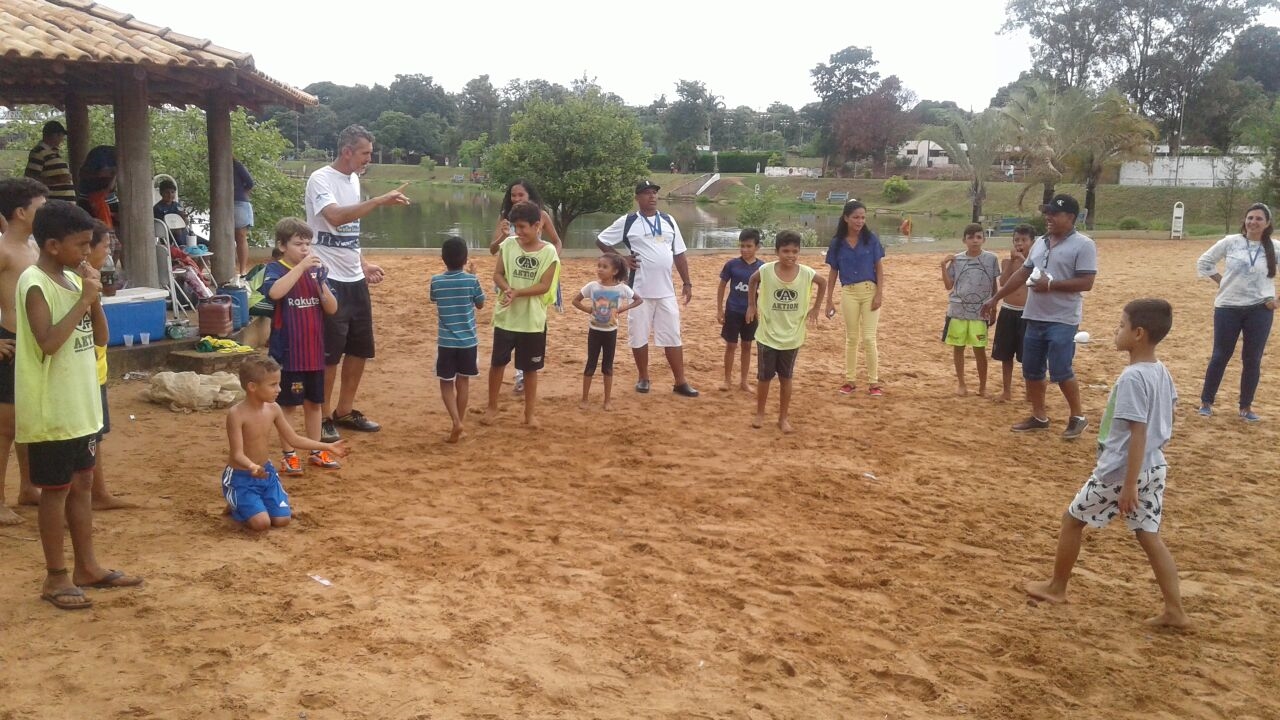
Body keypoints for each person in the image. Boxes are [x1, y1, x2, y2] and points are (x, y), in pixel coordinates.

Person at [1024, 299, 1189, 628]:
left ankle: (1057, 587)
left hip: (1120, 472)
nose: (1116, 330)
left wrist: (1128, 485)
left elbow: (1138, 432)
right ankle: (1175, 610)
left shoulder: (1132, 378)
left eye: (1121, 325)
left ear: (1138, 333)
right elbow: (1168, 414)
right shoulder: (1161, 370)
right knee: (1149, 536)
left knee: (1072, 520)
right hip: (1154, 467)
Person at [17, 200, 142, 610]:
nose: (88, 252)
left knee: (83, 485)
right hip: (52, 409)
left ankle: (87, 566)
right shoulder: (35, 282)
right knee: (55, 491)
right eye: (81, 244)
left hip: (82, 404)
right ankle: (55, 576)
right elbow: (48, 343)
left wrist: (94, 299)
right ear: (52, 245)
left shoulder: (73, 280)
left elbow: (101, 338)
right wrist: (83, 299)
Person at [305, 125, 410, 442]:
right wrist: (377, 201)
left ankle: (345, 410)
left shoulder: (353, 179)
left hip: (354, 277)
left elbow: (350, 232)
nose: (369, 159)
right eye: (365, 153)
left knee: (359, 349)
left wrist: (363, 264)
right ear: (347, 151)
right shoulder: (320, 179)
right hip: (328, 278)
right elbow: (335, 217)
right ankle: (323, 416)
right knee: (330, 353)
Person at [981, 194, 1097, 439]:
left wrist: (1051, 285)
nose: (1048, 217)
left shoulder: (1084, 245)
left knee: (1061, 369)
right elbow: (1022, 275)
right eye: (1047, 213)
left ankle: (1077, 417)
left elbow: (1087, 282)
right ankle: (1039, 416)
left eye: (1054, 213)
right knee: (1031, 369)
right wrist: (996, 298)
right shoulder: (1041, 243)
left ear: (1071, 217)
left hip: (1063, 318)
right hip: (1034, 316)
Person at [597, 180, 699, 397]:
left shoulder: (669, 220)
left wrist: (687, 282)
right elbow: (601, 240)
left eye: (654, 193)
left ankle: (680, 381)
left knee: (673, 335)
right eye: (646, 193)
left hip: (666, 291)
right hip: (639, 292)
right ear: (637, 198)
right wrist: (621, 258)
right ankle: (643, 377)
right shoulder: (628, 221)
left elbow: (679, 253)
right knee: (639, 335)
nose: (652, 196)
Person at [223, 355, 346, 532]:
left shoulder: (273, 409)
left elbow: (293, 439)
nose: (279, 389)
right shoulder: (236, 414)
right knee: (261, 524)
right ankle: (236, 501)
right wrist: (251, 466)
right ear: (252, 387)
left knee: (282, 520)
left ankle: (251, 503)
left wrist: (327, 446)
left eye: (278, 384)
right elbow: (237, 454)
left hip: (266, 473)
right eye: (273, 385)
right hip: (241, 476)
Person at [261, 218, 339, 474]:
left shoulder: (316, 272)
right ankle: (289, 454)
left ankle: (316, 451)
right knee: (288, 405)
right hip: (288, 353)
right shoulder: (275, 269)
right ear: (282, 246)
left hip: (313, 351)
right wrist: (302, 267)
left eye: (308, 243)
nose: (305, 249)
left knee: (314, 403)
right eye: (298, 244)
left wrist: (321, 283)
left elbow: (332, 308)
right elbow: (275, 293)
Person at [1194, 202, 1278, 422]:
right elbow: (1205, 261)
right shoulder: (1231, 242)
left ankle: (1245, 407)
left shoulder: (1275, 247)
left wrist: (1276, 301)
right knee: (1220, 355)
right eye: (1250, 218)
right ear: (1244, 220)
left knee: (1252, 359)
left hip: (1259, 310)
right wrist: (1222, 282)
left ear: (1267, 223)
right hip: (1228, 307)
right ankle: (1206, 402)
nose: (1253, 222)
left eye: (1259, 218)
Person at [484, 201, 559, 426]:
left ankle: (529, 414)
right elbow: (498, 274)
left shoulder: (549, 252)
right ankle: (492, 407)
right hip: (505, 318)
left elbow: (545, 286)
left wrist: (518, 292)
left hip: (532, 322)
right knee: (497, 364)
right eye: (515, 227)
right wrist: (507, 288)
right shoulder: (508, 245)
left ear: (537, 226)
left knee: (530, 369)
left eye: (523, 227)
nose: (519, 232)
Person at [746, 230, 826, 432]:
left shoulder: (806, 273)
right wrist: (752, 305)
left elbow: (823, 282)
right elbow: (752, 280)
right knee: (764, 377)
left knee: (786, 377)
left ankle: (783, 418)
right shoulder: (766, 270)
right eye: (785, 251)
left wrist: (816, 308)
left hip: (792, 336)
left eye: (794, 251)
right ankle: (760, 413)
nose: (790, 255)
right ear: (777, 251)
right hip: (767, 335)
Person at [0, 178, 46, 523]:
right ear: (20, 212)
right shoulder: (4, 250)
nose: (45, 213)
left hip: (33, 345)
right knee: (5, 429)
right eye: (39, 208)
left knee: (28, 422)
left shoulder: (32, 246)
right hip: (10, 343)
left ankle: (28, 487)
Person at [87, 220, 135, 510]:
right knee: (87, 438)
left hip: (98, 368)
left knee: (96, 436)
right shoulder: (78, 282)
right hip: (86, 372)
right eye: (104, 246)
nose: (108, 252)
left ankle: (99, 492)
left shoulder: (90, 278)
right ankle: (92, 494)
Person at [823, 200, 886, 397]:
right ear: (846, 218)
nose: (860, 221)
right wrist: (829, 299)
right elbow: (833, 272)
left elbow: (879, 268)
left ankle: (873, 382)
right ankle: (850, 380)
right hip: (849, 292)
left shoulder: (871, 239)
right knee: (851, 338)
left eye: (863, 217)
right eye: (856, 217)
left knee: (869, 338)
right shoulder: (837, 243)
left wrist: (879, 293)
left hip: (869, 291)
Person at [430, 236, 486, 442]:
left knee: (446, 382)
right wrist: (474, 275)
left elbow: (433, 298)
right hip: (468, 342)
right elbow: (480, 304)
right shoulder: (472, 281)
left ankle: (456, 421)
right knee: (463, 381)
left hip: (446, 342)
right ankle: (459, 422)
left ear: (443, 258)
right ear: (465, 259)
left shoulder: (436, 281)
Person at [572, 254, 641, 411]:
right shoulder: (592, 286)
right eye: (599, 266)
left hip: (611, 332)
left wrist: (622, 309)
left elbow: (638, 300)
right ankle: (584, 398)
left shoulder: (622, 288)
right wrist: (588, 310)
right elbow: (575, 301)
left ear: (615, 271)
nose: (600, 269)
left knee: (608, 367)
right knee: (590, 364)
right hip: (594, 331)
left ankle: (607, 400)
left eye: (604, 267)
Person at [940, 223, 1000, 397]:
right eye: (971, 237)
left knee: (979, 349)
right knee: (958, 347)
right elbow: (948, 285)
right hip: (958, 310)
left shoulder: (991, 259)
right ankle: (961, 383)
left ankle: (983, 386)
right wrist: (943, 266)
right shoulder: (957, 260)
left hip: (981, 312)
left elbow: (994, 286)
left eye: (979, 237)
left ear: (984, 239)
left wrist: (994, 307)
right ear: (964, 240)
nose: (975, 241)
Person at [991, 225, 1035, 402]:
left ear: (1032, 242)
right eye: (1016, 240)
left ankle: (1030, 392)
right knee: (1005, 354)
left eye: (1024, 240)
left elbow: (1033, 278)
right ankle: (1006, 390)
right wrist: (1011, 262)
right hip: (1008, 310)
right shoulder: (1006, 262)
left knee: (1028, 356)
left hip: (1027, 313)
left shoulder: (1035, 263)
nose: (1019, 243)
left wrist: (1024, 260)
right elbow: (1003, 282)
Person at [717, 228, 764, 392]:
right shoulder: (732, 265)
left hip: (750, 314)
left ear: (757, 247)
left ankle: (744, 381)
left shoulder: (762, 268)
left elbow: (766, 291)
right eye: (742, 246)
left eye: (749, 246)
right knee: (731, 345)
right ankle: (727, 380)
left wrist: (759, 310)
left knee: (747, 345)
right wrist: (720, 309)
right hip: (733, 311)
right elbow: (722, 286)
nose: (745, 249)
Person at [24, 120, 75, 201]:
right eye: (61, 136)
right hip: (54, 202)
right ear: (54, 135)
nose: (62, 139)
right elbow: (30, 177)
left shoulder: (53, 152)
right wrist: (56, 180)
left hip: (63, 203)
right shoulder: (39, 152)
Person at [234, 159, 255, 277]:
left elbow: (250, 183)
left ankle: (242, 270)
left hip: (239, 202)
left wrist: (242, 193)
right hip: (222, 203)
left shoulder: (237, 165)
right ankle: (229, 269)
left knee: (240, 236)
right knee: (226, 237)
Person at [152, 179, 190, 246]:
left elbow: (186, 222)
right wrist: (175, 229)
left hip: (182, 233)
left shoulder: (177, 205)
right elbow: (160, 227)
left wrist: (184, 218)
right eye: (167, 192)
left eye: (172, 192)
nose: (170, 195)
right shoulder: (157, 208)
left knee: (199, 240)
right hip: (167, 236)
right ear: (161, 193)